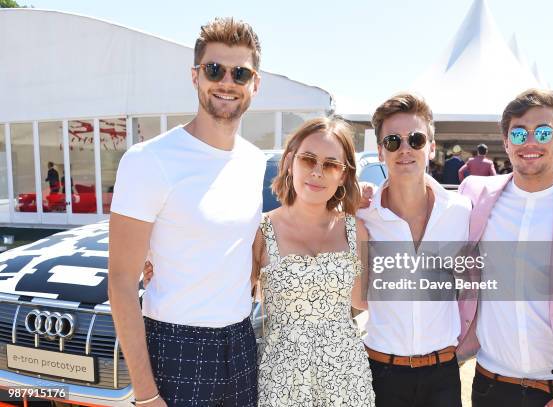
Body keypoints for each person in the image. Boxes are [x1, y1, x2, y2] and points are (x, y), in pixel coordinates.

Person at [144, 117, 376, 406]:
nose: (317, 172)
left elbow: (366, 299)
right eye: (308, 159)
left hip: (347, 376)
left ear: (343, 175)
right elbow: (224, 286)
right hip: (282, 378)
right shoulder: (260, 230)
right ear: (291, 161)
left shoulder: (357, 230)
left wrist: (380, 208)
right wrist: (164, 263)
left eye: (330, 165)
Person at [108, 17, 264, 407]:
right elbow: (121, 283)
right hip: (176, 346)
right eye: (215, 69)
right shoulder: (149, 160)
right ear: (195, 76)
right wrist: (145, 395)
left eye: (240, 73)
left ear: (254, 84)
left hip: (242, 342)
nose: (227, 82)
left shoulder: (254, 160)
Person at [457, 89, 553, 407]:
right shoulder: (475, 193)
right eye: (519, 132)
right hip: (488, 386)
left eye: (543, 132)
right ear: (506, 140)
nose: (531, 142)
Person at [359, 93, 471, 406]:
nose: (405, 149)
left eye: (416, 139)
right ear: (381, 152)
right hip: (382, 374)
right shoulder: (362, 215)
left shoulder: (462, 211)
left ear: (431, 147)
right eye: (393, 141)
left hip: (443, 377)